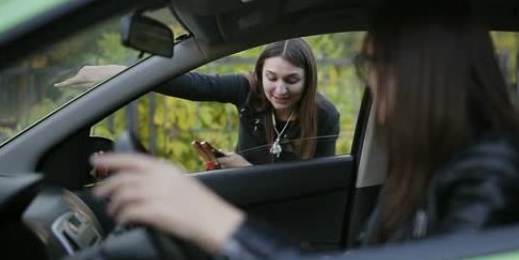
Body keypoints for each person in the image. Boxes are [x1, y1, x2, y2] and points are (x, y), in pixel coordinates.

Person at [91, 0, 519, 260]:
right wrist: (112, 78)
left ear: (419, 76)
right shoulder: (426, 167)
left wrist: (215, 221)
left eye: (374, 67)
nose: (278, 89)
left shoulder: (494, 170)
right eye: (271, 78)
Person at [57, 38, 340, 167]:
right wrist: (117, 74)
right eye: (271, 77)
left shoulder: (324, 114)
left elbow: (320, 180)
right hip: (246, 193)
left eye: (291, 80)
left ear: (308, 80)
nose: (279, 90)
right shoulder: (248, 90)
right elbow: (191, 84)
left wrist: (246, 167)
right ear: (259, 73)